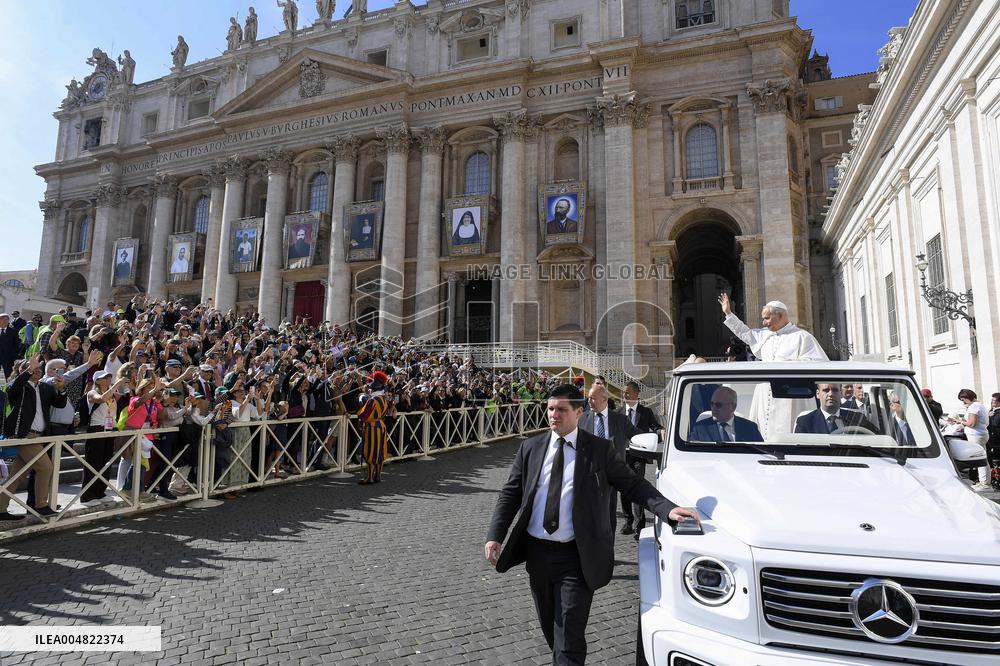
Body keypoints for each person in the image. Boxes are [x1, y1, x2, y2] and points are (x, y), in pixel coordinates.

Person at [485, 384, 700, 665]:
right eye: (550, 409)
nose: (554, 415)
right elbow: (511, 494)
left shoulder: (599, 449)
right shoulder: (531, 447)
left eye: (561, 409)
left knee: (569, 636)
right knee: (553, 630)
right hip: (537, 555)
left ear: (579, 412)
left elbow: (633, 484)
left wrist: (667, 509)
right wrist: (495, 535)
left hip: (577, 557)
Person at [719, 293, 826, 438]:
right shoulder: (764, 335)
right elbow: (744, 333)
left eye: (767, 318)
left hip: (791, 396)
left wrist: (788, 366)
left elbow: (819, 364)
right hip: (765, 394)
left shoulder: (802, 337)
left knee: (790, 433)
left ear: (780, 316)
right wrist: (728, 313)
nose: (764, 323)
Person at [0, 356, 66, 520]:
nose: (37, 370)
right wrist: (28, 370)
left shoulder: (45, 387)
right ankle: (41, 505)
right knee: (46, 468)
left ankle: (0, 508)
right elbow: (12, 388)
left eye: (38, 368)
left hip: (39, 437)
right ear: (24, 371)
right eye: (33, 368)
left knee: (18, 475)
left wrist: (61, 389)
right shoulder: (18, 386)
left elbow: (59, 404)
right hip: (24, 436)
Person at [578, 384, 638, 535]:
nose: (589, 401)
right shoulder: (582, 418)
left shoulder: (621, 420)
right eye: (588, 398)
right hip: (588, 474)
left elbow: (637, 435)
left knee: (609, 515)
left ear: (604, 399)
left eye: (593, 398)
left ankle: (607, 545)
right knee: (588, 515)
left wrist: (659, 435)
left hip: (611, 474)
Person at [619, 381, 662, 537]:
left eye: (627, 392)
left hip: (638, 456)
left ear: (636, 394)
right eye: (623, 392)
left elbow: (656, 427)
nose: (624, 395)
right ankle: (628, 521)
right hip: (622, 456)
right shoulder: (617, 412)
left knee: (637, 488)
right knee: (623, 489)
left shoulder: (646, 412)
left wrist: (661, 432)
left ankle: (639, 525)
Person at [689, 386, 764, 443]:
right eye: (712, 404)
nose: (713, 408)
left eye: (718, 405)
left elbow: (760, 452)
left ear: (733, 407)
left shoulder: (750, 428)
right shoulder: (700, 429)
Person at [794, 384, 877, 434]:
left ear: (841, 393)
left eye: (835, 390)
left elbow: (877, 439)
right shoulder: (805, 422)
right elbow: (799, 453)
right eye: (826, 390)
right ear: (818, 394)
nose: (830, 394)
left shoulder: (857, 418)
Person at [357, 370, 392, 484]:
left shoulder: (372, 400)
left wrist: (361, 401)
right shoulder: (383, 399)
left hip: (372, 427)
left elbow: (363, 414)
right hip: (381, 426)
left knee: (371, 451)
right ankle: (378, 476)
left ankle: (370, 477)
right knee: (379, 451)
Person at [955, 389, 990, 490]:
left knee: (980, 459)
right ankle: (984, 481)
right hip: (980, 434)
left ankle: (985, 483)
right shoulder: (979, 405)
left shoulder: (974, 406)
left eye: (963, 400)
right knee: (981, 458)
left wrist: (959, 421)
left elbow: (972, 424)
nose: (963, 402)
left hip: (976, 435)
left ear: (967, 397)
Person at [987, 392, 1000, 490]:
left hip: (997, 441)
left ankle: (997, 482)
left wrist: (989, 417)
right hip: (992, 440)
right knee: (994, 461)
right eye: (991, 400)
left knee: (997, 462)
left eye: (994, 400)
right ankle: (996, 480)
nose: (992, 402)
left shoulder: (997, 412)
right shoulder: (992, 411)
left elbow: (996, 423)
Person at [0, 313, 19, 379]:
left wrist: (14, 356)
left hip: (8, 358)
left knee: (8, 375)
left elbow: (16, 345)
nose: (4, 321)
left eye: (6, 319)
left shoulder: (13, 332)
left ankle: (8, 385)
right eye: (2, 319)